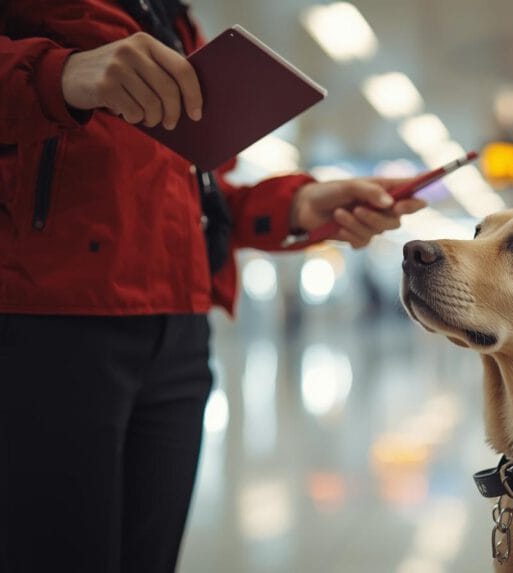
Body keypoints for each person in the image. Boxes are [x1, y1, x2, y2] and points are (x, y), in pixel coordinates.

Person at [0, 1, 426, 571]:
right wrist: (61, 75)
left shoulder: (173, 18)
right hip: (51, 318)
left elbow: (199, 194)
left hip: (179, 335)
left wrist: (300, 205)